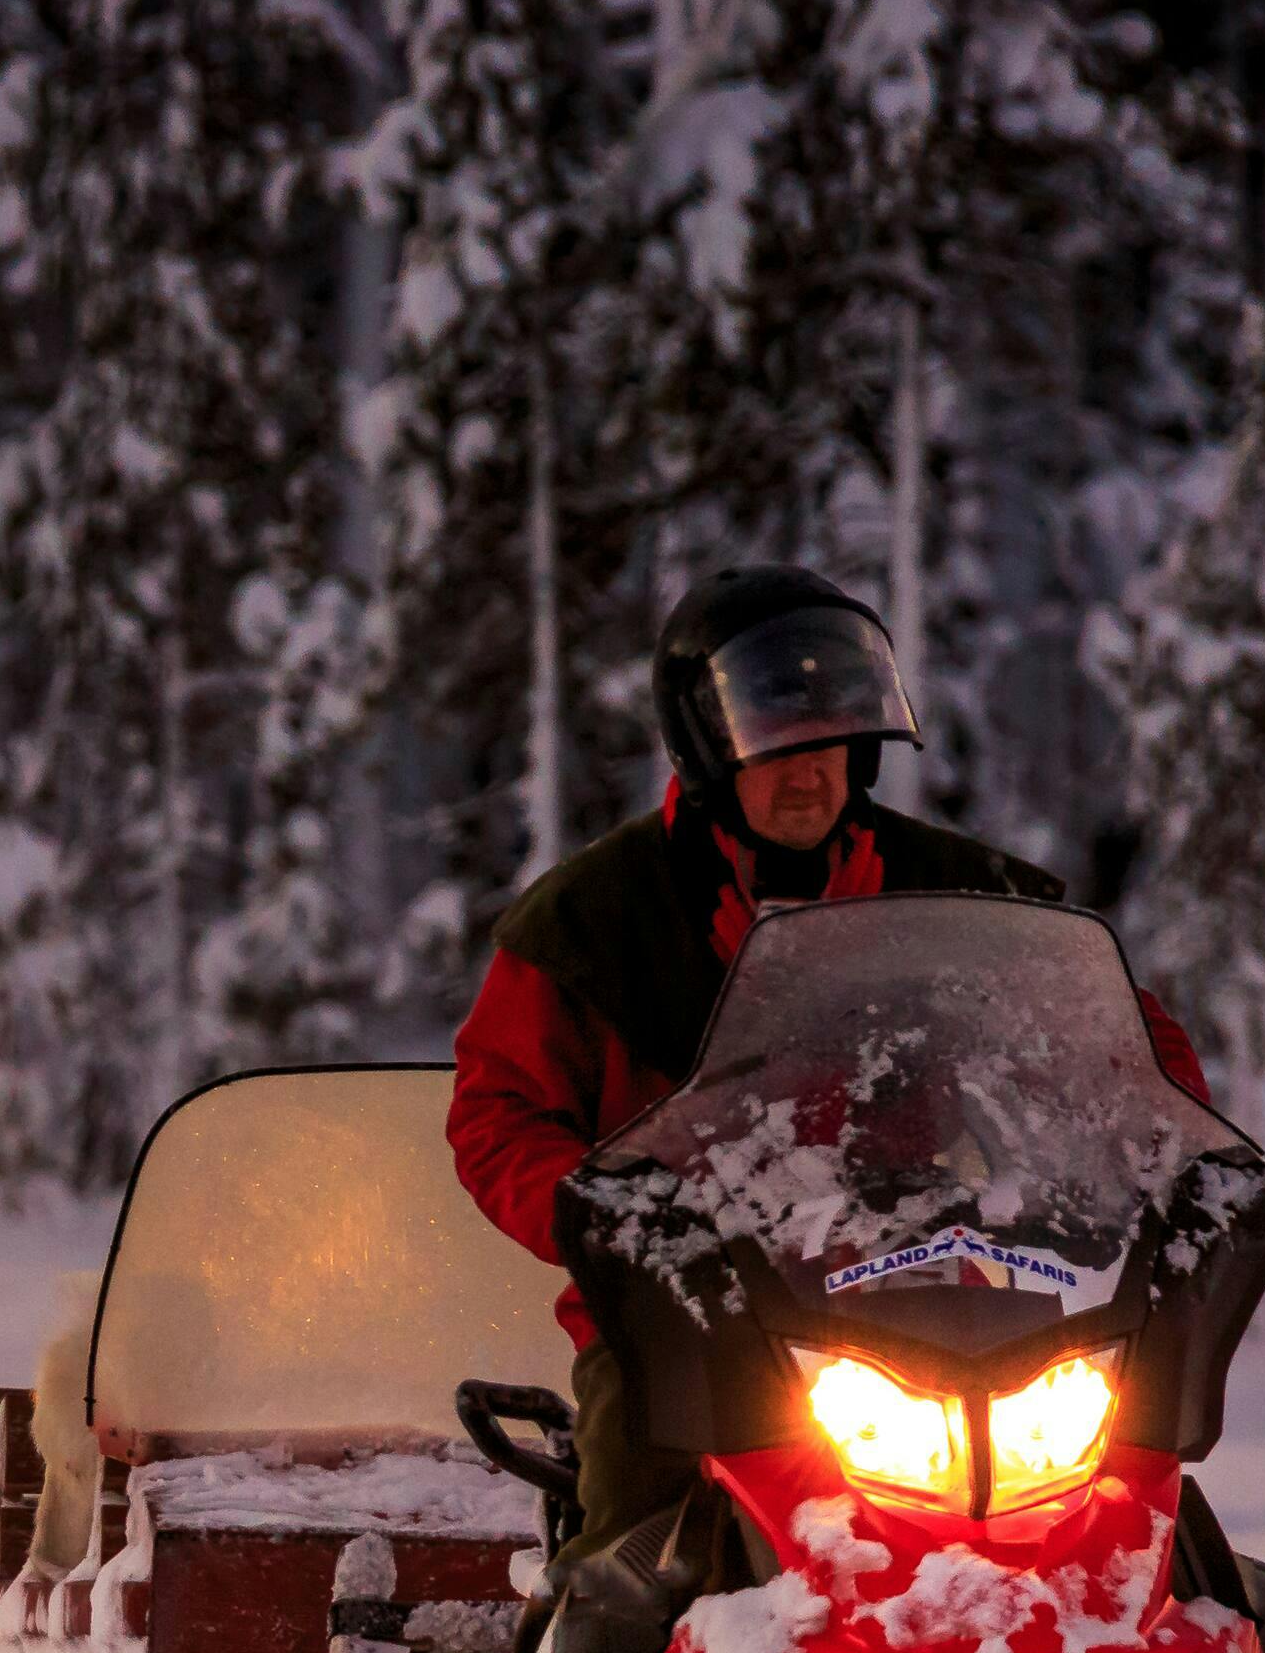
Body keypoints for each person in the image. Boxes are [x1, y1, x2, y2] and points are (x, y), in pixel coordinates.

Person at [445, 566, 1214, 1567]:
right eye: (777, 755)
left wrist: (1142, 1148)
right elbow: (495, 1109)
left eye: (836, 749)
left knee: (1105, 1507)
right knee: (631, 1527)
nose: (811, 778)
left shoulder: (961, 896)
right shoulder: (591, 919)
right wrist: (607, 1218)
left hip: (936, 1285)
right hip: (679, 1306)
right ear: (710, 751)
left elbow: (1116, 1040)